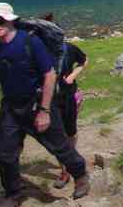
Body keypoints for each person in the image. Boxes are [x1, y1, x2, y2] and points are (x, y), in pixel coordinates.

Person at [0, 3, 89, 206]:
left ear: (11, 20)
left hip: (37, 104)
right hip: (10, 107)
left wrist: (44, 111)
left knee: (60, 147)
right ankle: (13, 194)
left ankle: (80, 176)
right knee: (5, 155)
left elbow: (49, 75)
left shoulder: (30, 42)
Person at [42, 14, 87, 189]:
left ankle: (72, 157)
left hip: (69, 97)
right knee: (58, 137)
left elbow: (84, 60)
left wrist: (73, 75)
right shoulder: (37, 54)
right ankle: (65, 171)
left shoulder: (68, 49)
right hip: (49, 102)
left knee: (71, 132)